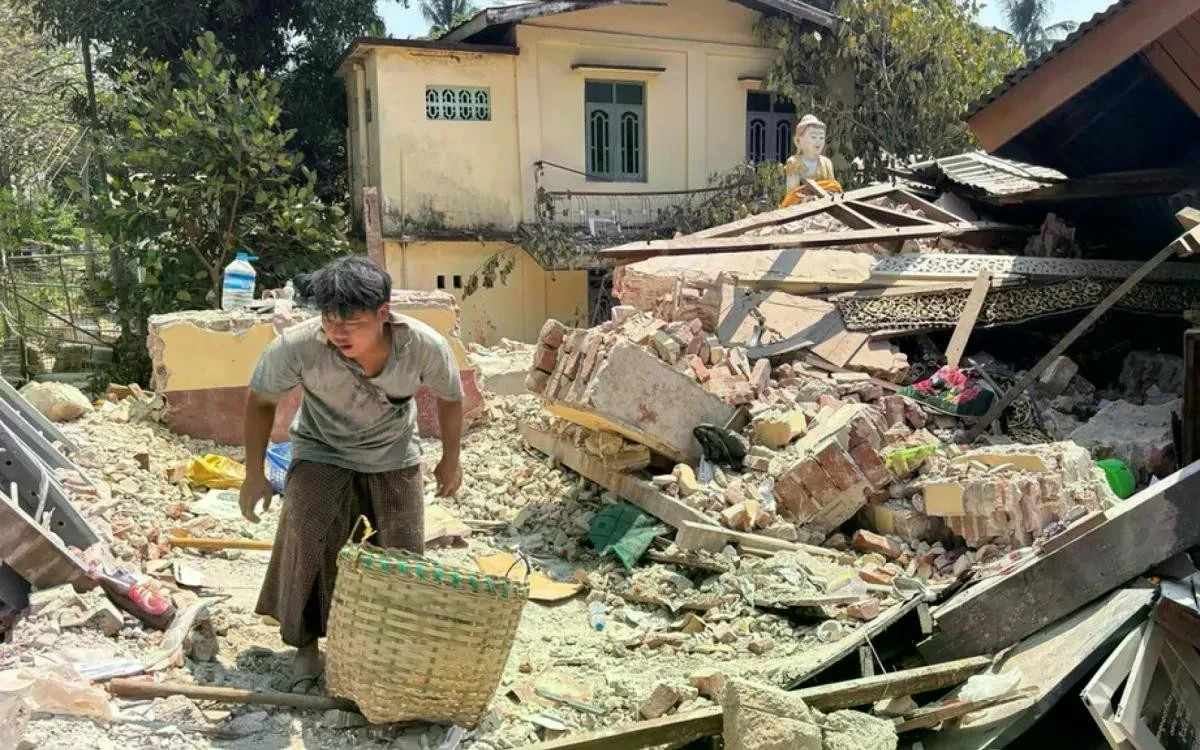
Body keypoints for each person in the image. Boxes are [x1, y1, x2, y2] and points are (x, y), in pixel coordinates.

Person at [239, 255, 464, 694]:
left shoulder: (422, 346)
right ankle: (304, 644)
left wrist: (451, 459)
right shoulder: (299, 345)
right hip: (321, 449)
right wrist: (254, 473)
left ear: (383, 313)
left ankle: (388, 650)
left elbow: (452, 399)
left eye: (352, 321)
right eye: (328, 318)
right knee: (308, 535)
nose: (338, 331)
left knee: (402, 555)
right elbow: (261, 399)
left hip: (393, 453)